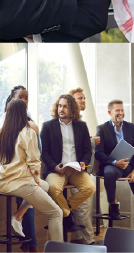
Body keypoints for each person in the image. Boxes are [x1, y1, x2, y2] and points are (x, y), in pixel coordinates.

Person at [0, 98, 64, 242]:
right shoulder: (27, 132)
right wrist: (36, 181)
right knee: (56, 213)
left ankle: (18, 215)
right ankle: (58, 249)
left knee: (46, 186)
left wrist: (38, 183)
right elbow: (33, 162)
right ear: (23, 114)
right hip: (21, 183)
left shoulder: (2, 134)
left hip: (3, 183)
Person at [40, 94, 95, 234]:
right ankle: (68, 215)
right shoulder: (47, 126)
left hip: (76, 169)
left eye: (65, 106)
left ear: (71, 109)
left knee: (90, 187)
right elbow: (44, 152)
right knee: (53, 188)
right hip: (56, 169)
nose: (61, 109)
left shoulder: (81, 126)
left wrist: (84, 163)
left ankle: (66, 210)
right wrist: (55, 167)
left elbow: (87, 150)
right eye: (59, 106)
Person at [95, 100, 134, 229]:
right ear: (109, 112)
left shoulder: (131, 127)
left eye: (122, 110)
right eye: (117, 110)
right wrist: (115, 162)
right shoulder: (102, 129)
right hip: (112, 165)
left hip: (129, 166)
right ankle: (113, 204)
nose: (120, 113)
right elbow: (98, 153)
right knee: (109, 173)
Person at [5, 86, 40, 253]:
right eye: (21, 97)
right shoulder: (8, 123)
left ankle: (27, 243)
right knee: (29, 196)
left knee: (29, 198)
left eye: (27, 98)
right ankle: (31, 246)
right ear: (12, 99)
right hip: (16, 173)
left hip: (31, 171)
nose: (24, 101)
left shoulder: (28, 121)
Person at [68, 87, 97, 246]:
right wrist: (92, 141)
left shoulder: (78, 121)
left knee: (82, 205)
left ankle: (79, 237)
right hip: (73, 168)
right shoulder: (70, 121)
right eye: (80, 98)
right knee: (84, 204)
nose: (83, 101)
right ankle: (89, 240)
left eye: (84, 98)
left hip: (81, 166)